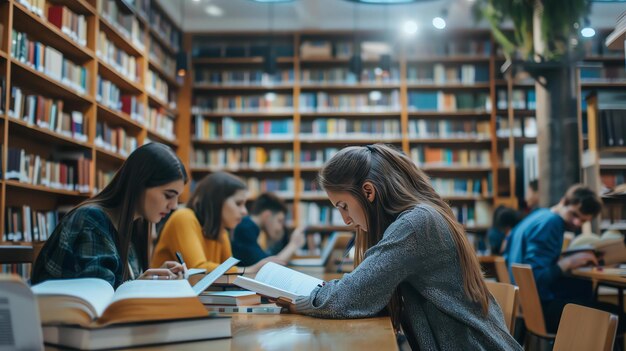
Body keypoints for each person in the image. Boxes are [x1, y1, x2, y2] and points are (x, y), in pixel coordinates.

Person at [282, 144, 520, 350]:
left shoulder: (415, 224)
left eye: (343, 206)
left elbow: (351, 296)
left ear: (368, 191)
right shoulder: (415, 219)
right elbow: (366, 292)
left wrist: (299, 300)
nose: (346, 220)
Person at [32, 143, 188, 288]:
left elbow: (118, 288)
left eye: (177, 197)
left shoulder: (133, 226)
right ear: (139, 184)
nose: (174, 205)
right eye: (168, 195)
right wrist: (138, 287)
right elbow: (100, 299)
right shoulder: (91, 220)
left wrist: (155, 279)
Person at [504, 184, 620, 333]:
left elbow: (508, 255)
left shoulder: (536, 216)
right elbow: (536, 278)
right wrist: (568, 262)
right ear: (564, 201)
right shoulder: (552, 222)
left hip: (524, 307)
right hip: (542, 310)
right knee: (616, 316)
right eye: (574, 215)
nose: (577, 223)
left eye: (583, 221)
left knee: (582, 290)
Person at [152, 172, 281, 274]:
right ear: (216, 202)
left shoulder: (221, 231)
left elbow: (228, 273)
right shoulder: (184, 217)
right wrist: (251, 270)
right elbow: (198, 269)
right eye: (238, 204)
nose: (244, 211)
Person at [231, 192, 305, 267]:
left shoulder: (250, 227)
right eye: (279, 221)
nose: (280, 228)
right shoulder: (245, 228)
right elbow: (267, 266)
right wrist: (294, 244)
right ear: (266, 215)